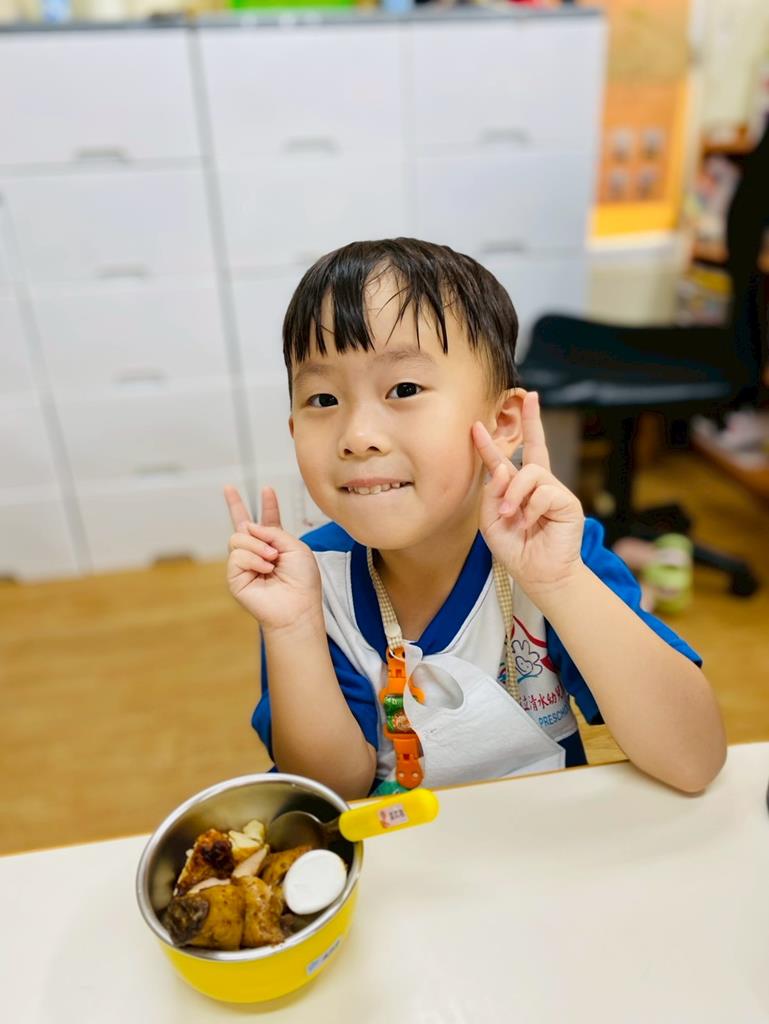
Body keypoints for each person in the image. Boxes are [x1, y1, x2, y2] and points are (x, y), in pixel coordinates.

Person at [224, 238, 726, 799]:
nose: (357, 437)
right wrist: (292, 628)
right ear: (294, 429)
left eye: (404, 389)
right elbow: (333, 791)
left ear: (504, 422)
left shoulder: (553, 553)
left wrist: (560, 583)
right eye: (322, 400)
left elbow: (693, 760)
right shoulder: (314, 581)